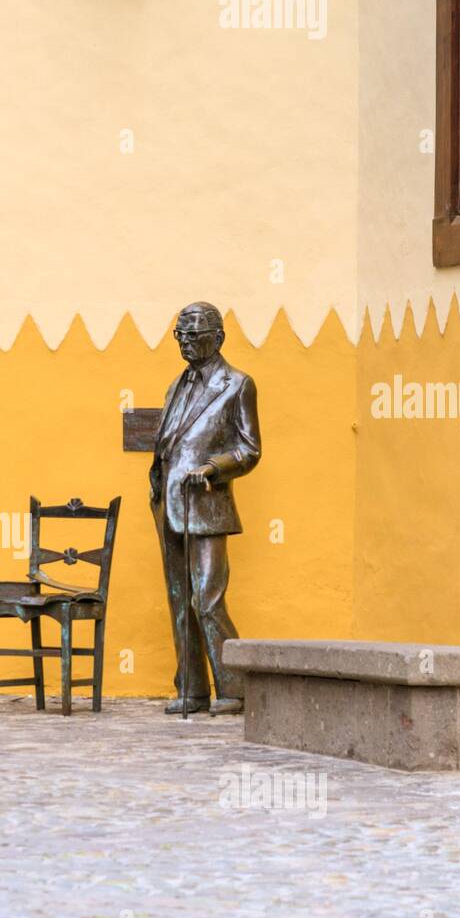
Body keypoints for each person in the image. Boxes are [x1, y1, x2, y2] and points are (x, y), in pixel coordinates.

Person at [149, 302, 262, 716]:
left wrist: (213, 468)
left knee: (208, 599)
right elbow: (168, 442)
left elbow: (249, 450)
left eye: (193, 334)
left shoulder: (237, 384)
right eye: (179, 334)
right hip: (171, 506)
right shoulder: (175, 385)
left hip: (208, 504)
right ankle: (192, 689)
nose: (185, 341)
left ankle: (233, 689)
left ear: (217, 338)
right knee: (180, 601)